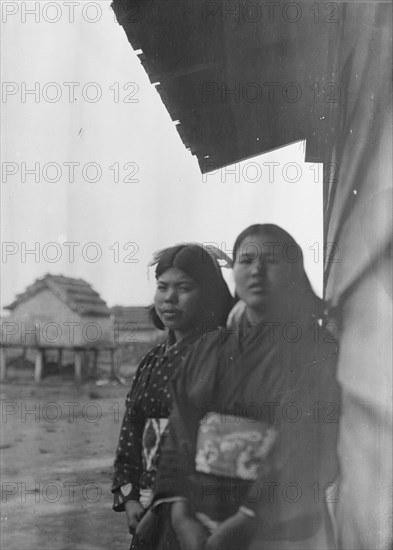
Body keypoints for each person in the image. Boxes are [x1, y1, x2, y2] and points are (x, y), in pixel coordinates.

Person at [153, 224, 341, 550]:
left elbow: (308, 444)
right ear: (234, 271)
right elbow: (180, 433)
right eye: (246, 260)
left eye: (272, 260)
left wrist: (248, 518)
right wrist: (181, 514)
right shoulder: (206, 348)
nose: (257, 270)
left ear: (294, 270)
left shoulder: (315, 348)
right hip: (201, 520)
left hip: (281, 527)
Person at [111, 243, 233, 550]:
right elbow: (130, 434)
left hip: (200, 508)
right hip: (147, 504)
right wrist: (130, 499)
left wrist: (165, 505)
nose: (170, 298)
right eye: (162, 287)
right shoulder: (151, 360)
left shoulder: (221, 356)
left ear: (209, 294)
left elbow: (217, 444)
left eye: (184, 288)